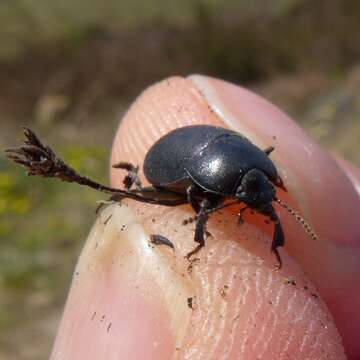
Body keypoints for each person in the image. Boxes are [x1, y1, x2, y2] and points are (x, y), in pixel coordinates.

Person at [50, 76, 360, 359]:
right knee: (203, 208)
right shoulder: (208, 184)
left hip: (219, 159)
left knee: (271, 215)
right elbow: (204, 198)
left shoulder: (253, 165)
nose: (260, 200)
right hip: (176, 161)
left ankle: (269, 245)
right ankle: (198, 241)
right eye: (246, 193)